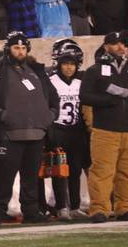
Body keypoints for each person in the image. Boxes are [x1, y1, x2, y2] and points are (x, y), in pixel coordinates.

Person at [0, 32, 58, 225]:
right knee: (3, 177)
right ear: (8, 49)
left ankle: (31, 212)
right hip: (9, 134)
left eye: (23, 48)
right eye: (16, 48)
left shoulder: (37, 72)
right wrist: (0, 115)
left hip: (36, 133)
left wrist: (49, 116)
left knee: (31, 178)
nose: (20, 51)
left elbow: (53, 97)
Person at [80, 30, 128, 222]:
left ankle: (125, 208)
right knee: (102, 171)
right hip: (105, 130)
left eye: (124, 43)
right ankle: (99, 209)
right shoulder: (95, 70)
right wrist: (108, 100)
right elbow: (85, 97)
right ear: (106, 46)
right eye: (116, 43)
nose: (121, 47)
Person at [46, 40, 89, 220]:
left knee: (76, 169)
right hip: (58, 129)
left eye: (72, 64)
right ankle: (62, 206)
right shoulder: (51, 81)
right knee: (59, 169)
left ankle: (75, 206)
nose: (69, 68)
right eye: (66, 63)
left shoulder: (82, 82)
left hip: (76, 130)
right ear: (58, 64)